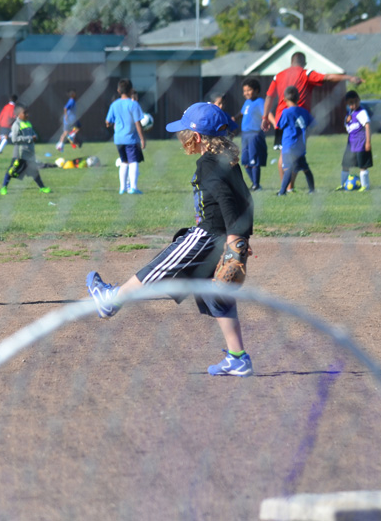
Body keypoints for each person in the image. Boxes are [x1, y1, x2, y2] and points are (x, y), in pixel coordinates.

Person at [85, 102, 254, 377]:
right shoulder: (229, 162)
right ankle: (237, 357)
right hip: (223, 238)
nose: (181, 137)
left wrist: (236, 242)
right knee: (216, 296)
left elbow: (226, 201)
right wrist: (241, 239)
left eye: (185, 132)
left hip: (207, 235)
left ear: (197, 137)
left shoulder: (207, 164)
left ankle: (111, 300)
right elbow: (246, 201)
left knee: (162, 264)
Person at [263, 52, 361, 190]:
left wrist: (265, 117)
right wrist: (348, 77)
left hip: (282, 118)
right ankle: (290, 187)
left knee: (283, 153)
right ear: (304, 63)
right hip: (300, 121)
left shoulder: (278, 76)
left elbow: (269, 97)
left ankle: (284, 186)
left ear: (291, 62)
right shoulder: (305, 73)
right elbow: (327, 77)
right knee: (297, 152)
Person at [105, 79, 146, 195]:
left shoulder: (114, 104)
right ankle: (133, 187)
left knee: (124, 162)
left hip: (118, 138)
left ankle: (122, 188)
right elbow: (137, 123)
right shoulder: (133, 104)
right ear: (131, 90)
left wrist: (111, 124)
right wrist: (142, 138)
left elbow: (107, 122)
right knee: (133, 162)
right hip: (131, 138)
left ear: (118, 90)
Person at [0, 105, 51, 195]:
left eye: (28, 113)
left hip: (29, 152)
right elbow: (14, 139)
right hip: (19, 153)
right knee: (12, 170)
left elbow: (33, 134)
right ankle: (4, 187)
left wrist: (35, 136)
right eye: (25, 113)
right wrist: (29, 138)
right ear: (18, 114)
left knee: (34, 170)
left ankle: (42, 187)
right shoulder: (16, 125)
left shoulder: (28, 123)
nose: (27, 114)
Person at [275, 85, 316, 196]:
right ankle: (312, 190)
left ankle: (282, 192)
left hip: (288, 146)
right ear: (298, 98)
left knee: (288, 169)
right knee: (306, 169)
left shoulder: (286, 112)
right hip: (300, 146)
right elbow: (313, 124)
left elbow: (280, 125)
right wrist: (306, 133)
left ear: (284, 99)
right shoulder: (304, 111)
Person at [339, 90, 372, 191]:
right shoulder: (349, 113)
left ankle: (365, 186)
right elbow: (348, 128)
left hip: (361, 143)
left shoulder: (362, 112)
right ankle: (343, 184)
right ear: (347, 104)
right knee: (345, 165)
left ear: (359, 100)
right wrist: (346, 121)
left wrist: (368, 142)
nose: (353, 105)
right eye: (350, 103)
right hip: (351, 144)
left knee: (362, 166)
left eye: (355, 102)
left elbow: (367, 126)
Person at [238, 79, 267, 190]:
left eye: (249, 90)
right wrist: (234, 118)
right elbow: (242, 113)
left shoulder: (260, 102)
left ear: (256, 90)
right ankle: (255, 184)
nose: (246, 93)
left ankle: (256, 184)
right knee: (245, 161)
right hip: (245, 134)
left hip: (255, 134)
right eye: (244, 91)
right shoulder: (247, 102)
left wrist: (270, 122)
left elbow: (265, 114)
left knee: (254, 160)